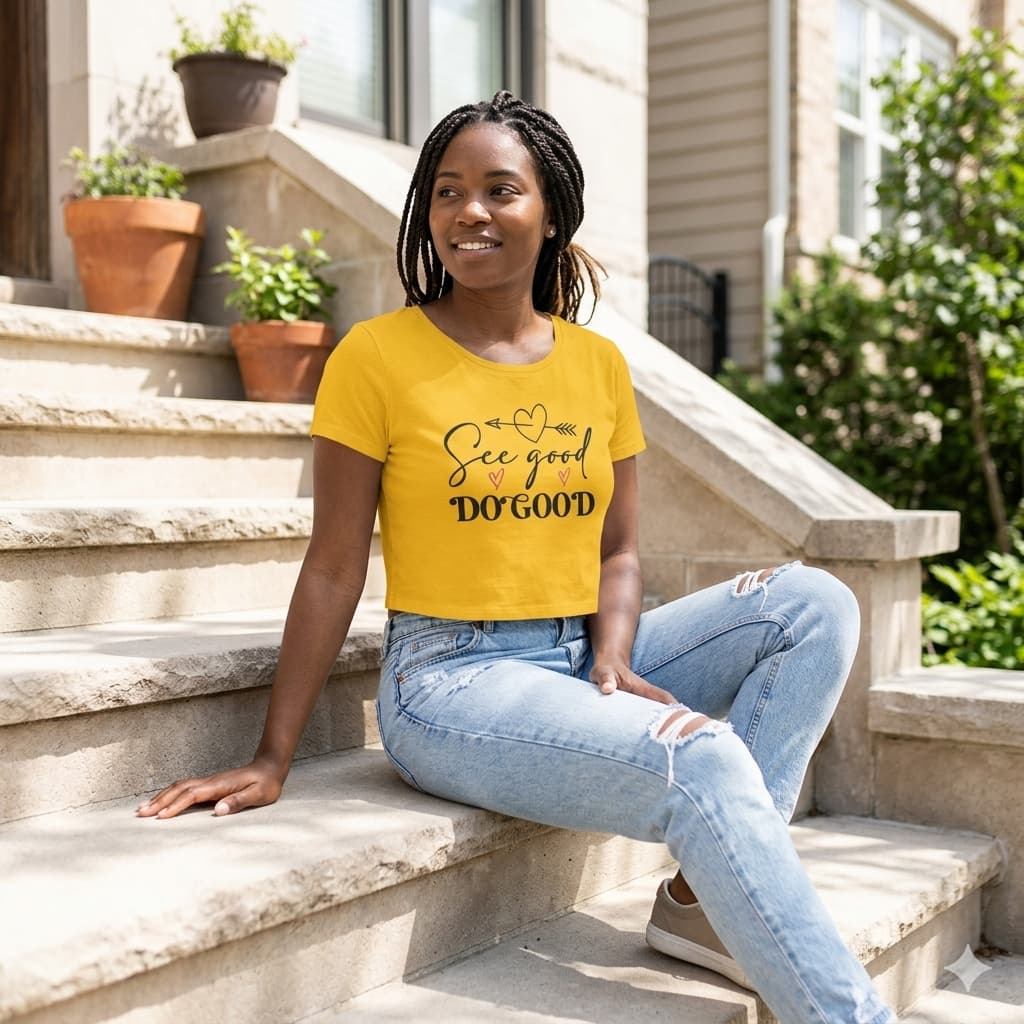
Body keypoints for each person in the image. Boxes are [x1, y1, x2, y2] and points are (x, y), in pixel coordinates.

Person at [137, 91, 897, 1024]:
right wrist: (272, 755)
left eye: (501, 190)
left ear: (551, 212)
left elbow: (620, 548)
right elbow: (333, 566)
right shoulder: (376, 358)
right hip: (453, 680)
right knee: (701, 763)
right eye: (448, 191)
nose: (470, 212)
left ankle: (701, 910)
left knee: (816, 603)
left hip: (580, 654)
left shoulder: (596, 364)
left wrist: (613, 654)